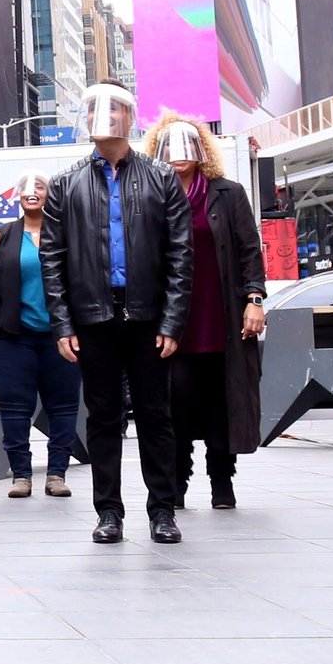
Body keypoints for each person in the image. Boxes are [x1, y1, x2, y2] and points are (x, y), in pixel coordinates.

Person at [41, 84, 193, 546]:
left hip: (148, 316)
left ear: (132, 118)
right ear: (84, 119)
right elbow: (52, 259)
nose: (105, 117)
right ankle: (108, 512)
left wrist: (172, 320)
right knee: (103, 418)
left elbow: (181, 255)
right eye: (95, 110)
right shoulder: (65, 184)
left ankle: (163, 510)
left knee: (155, 416)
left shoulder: (161, 177)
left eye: (116, 109)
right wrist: (63, 324)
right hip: (92, 318)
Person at [145, 115, 267, 510]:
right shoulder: (151, 195)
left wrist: (254, 298)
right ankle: (176, 483)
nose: (178, 155)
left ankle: (222, 482)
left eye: (187, 145)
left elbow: (249, 249)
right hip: (172, 319)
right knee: (172, 401)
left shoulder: (226, 193)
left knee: (221, 401)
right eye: (169, 146)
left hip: (220, 313)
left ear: (201, 150)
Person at [0, 170, 81, 498]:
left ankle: (56, 474)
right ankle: (21, 475)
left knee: (63, 406)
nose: (33, 191)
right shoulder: (4, 235)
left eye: (40, 186)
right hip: (10, 337)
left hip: (61, 335)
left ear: (50, 195)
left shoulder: (68, 235)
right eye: (26, 188)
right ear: (19, 198)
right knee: (15, 406)